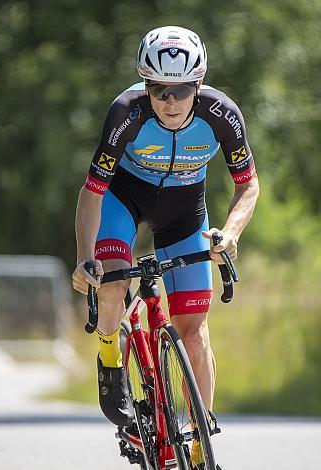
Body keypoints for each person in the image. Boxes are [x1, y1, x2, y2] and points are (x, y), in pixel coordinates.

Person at [72, 26, 259, 432]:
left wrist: (230, 233)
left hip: (184, 210)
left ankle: (198, 441)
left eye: (181, 90)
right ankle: (110, 354)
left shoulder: (222, 114)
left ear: (200, 83)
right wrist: (85, 257)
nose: (171, 102)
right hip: (123, 199)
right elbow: (92, 192)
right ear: (145, 85)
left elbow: (248, 184)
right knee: (112, 285)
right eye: (159, 90)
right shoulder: (127, 112)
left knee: (193, 332)